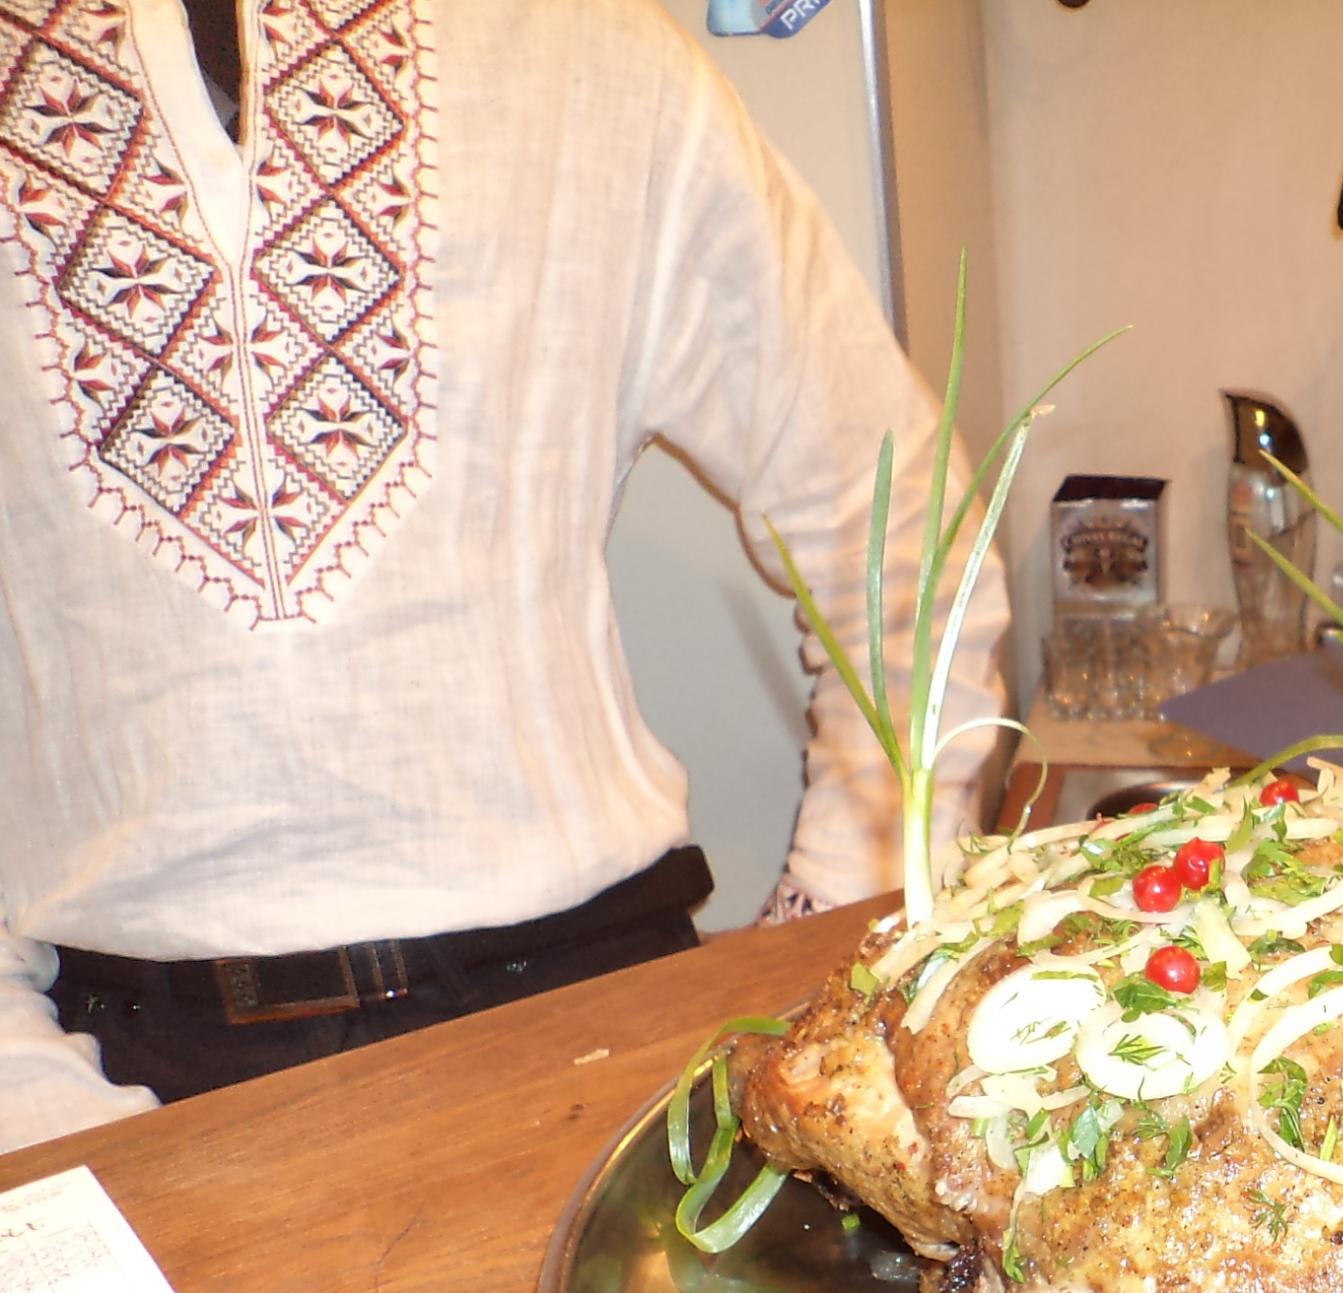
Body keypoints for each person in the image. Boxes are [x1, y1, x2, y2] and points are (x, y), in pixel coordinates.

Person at [0, 0, 1007, 1153]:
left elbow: (891, 511)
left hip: (598, 1019)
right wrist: (31, 1103)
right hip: (124, 1058)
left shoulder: (586, 49)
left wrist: (843, 938)